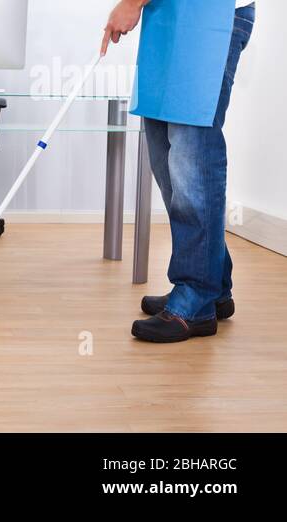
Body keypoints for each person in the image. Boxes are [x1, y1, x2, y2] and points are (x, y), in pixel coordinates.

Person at [101, 0, 255, 342]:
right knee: (165, 159)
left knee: (193, 157)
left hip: (210, 16)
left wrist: (131, 2)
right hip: (169, 16)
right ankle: (214, 285)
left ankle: (196, 297)